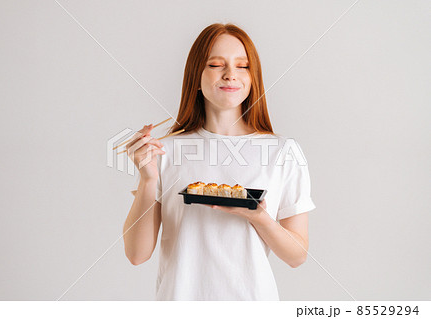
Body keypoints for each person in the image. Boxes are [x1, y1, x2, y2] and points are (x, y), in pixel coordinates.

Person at [122, 23, 316, 301]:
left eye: (242, 66)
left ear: (254, 77)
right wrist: (148, 179)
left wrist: (260, 218)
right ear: (195, 76)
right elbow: (137, 255)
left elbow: (297, 256)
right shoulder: (164, 151)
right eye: (215, 64)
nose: (230, 75)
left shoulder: (284, 151)